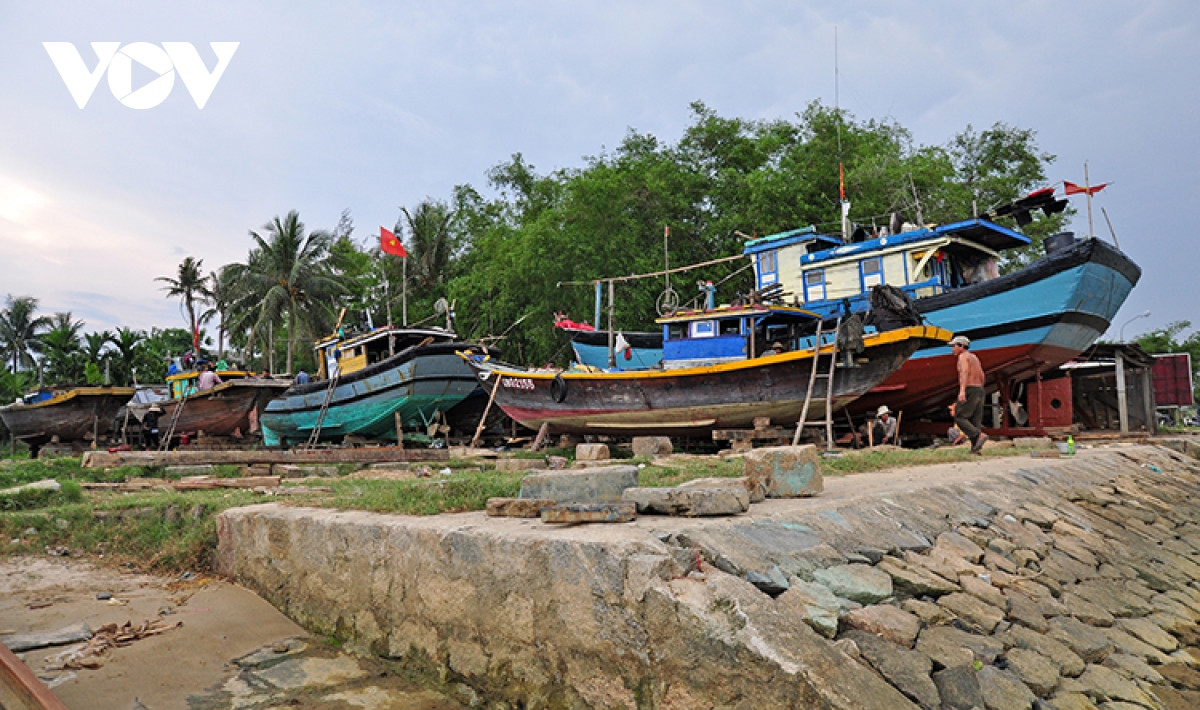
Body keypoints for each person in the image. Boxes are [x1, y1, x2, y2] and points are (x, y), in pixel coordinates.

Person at [951, 335, 988, 454]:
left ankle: (979, 435)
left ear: (961, 346)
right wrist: (980, 388)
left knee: (960, 417)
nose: (952, 349)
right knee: (975, 420)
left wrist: (962, 391)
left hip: (970, 389)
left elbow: (964, 373)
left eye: (954, 346)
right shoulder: (974, 357)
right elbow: (982, 375)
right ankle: (975, 449)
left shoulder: (963, 357)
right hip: (979, 389)